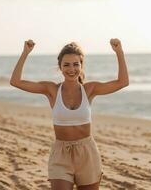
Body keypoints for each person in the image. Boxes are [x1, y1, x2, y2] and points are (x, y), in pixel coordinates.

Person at [10, 38, 129, 190]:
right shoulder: (51, 90)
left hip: (87, 153)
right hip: (61, 154)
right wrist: (25, 53)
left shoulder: (89, 90)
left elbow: (123, 82)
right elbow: (16, 82)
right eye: (66, 65)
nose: (71, 69)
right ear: (60, 67)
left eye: (75, 64)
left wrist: (119, 52)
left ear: (81, 66)